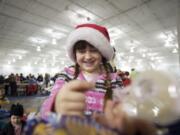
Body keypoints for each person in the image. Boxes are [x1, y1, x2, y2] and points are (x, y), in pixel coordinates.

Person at [40, 23, 156, 134]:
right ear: (75, 54)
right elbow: (46, 108)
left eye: (94, 50)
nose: (88, 56)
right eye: (81, 51)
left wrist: (126, 116)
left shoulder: (114, 79)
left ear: (102, 53)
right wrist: (56, 104)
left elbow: (123, 108)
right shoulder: (66, 75)